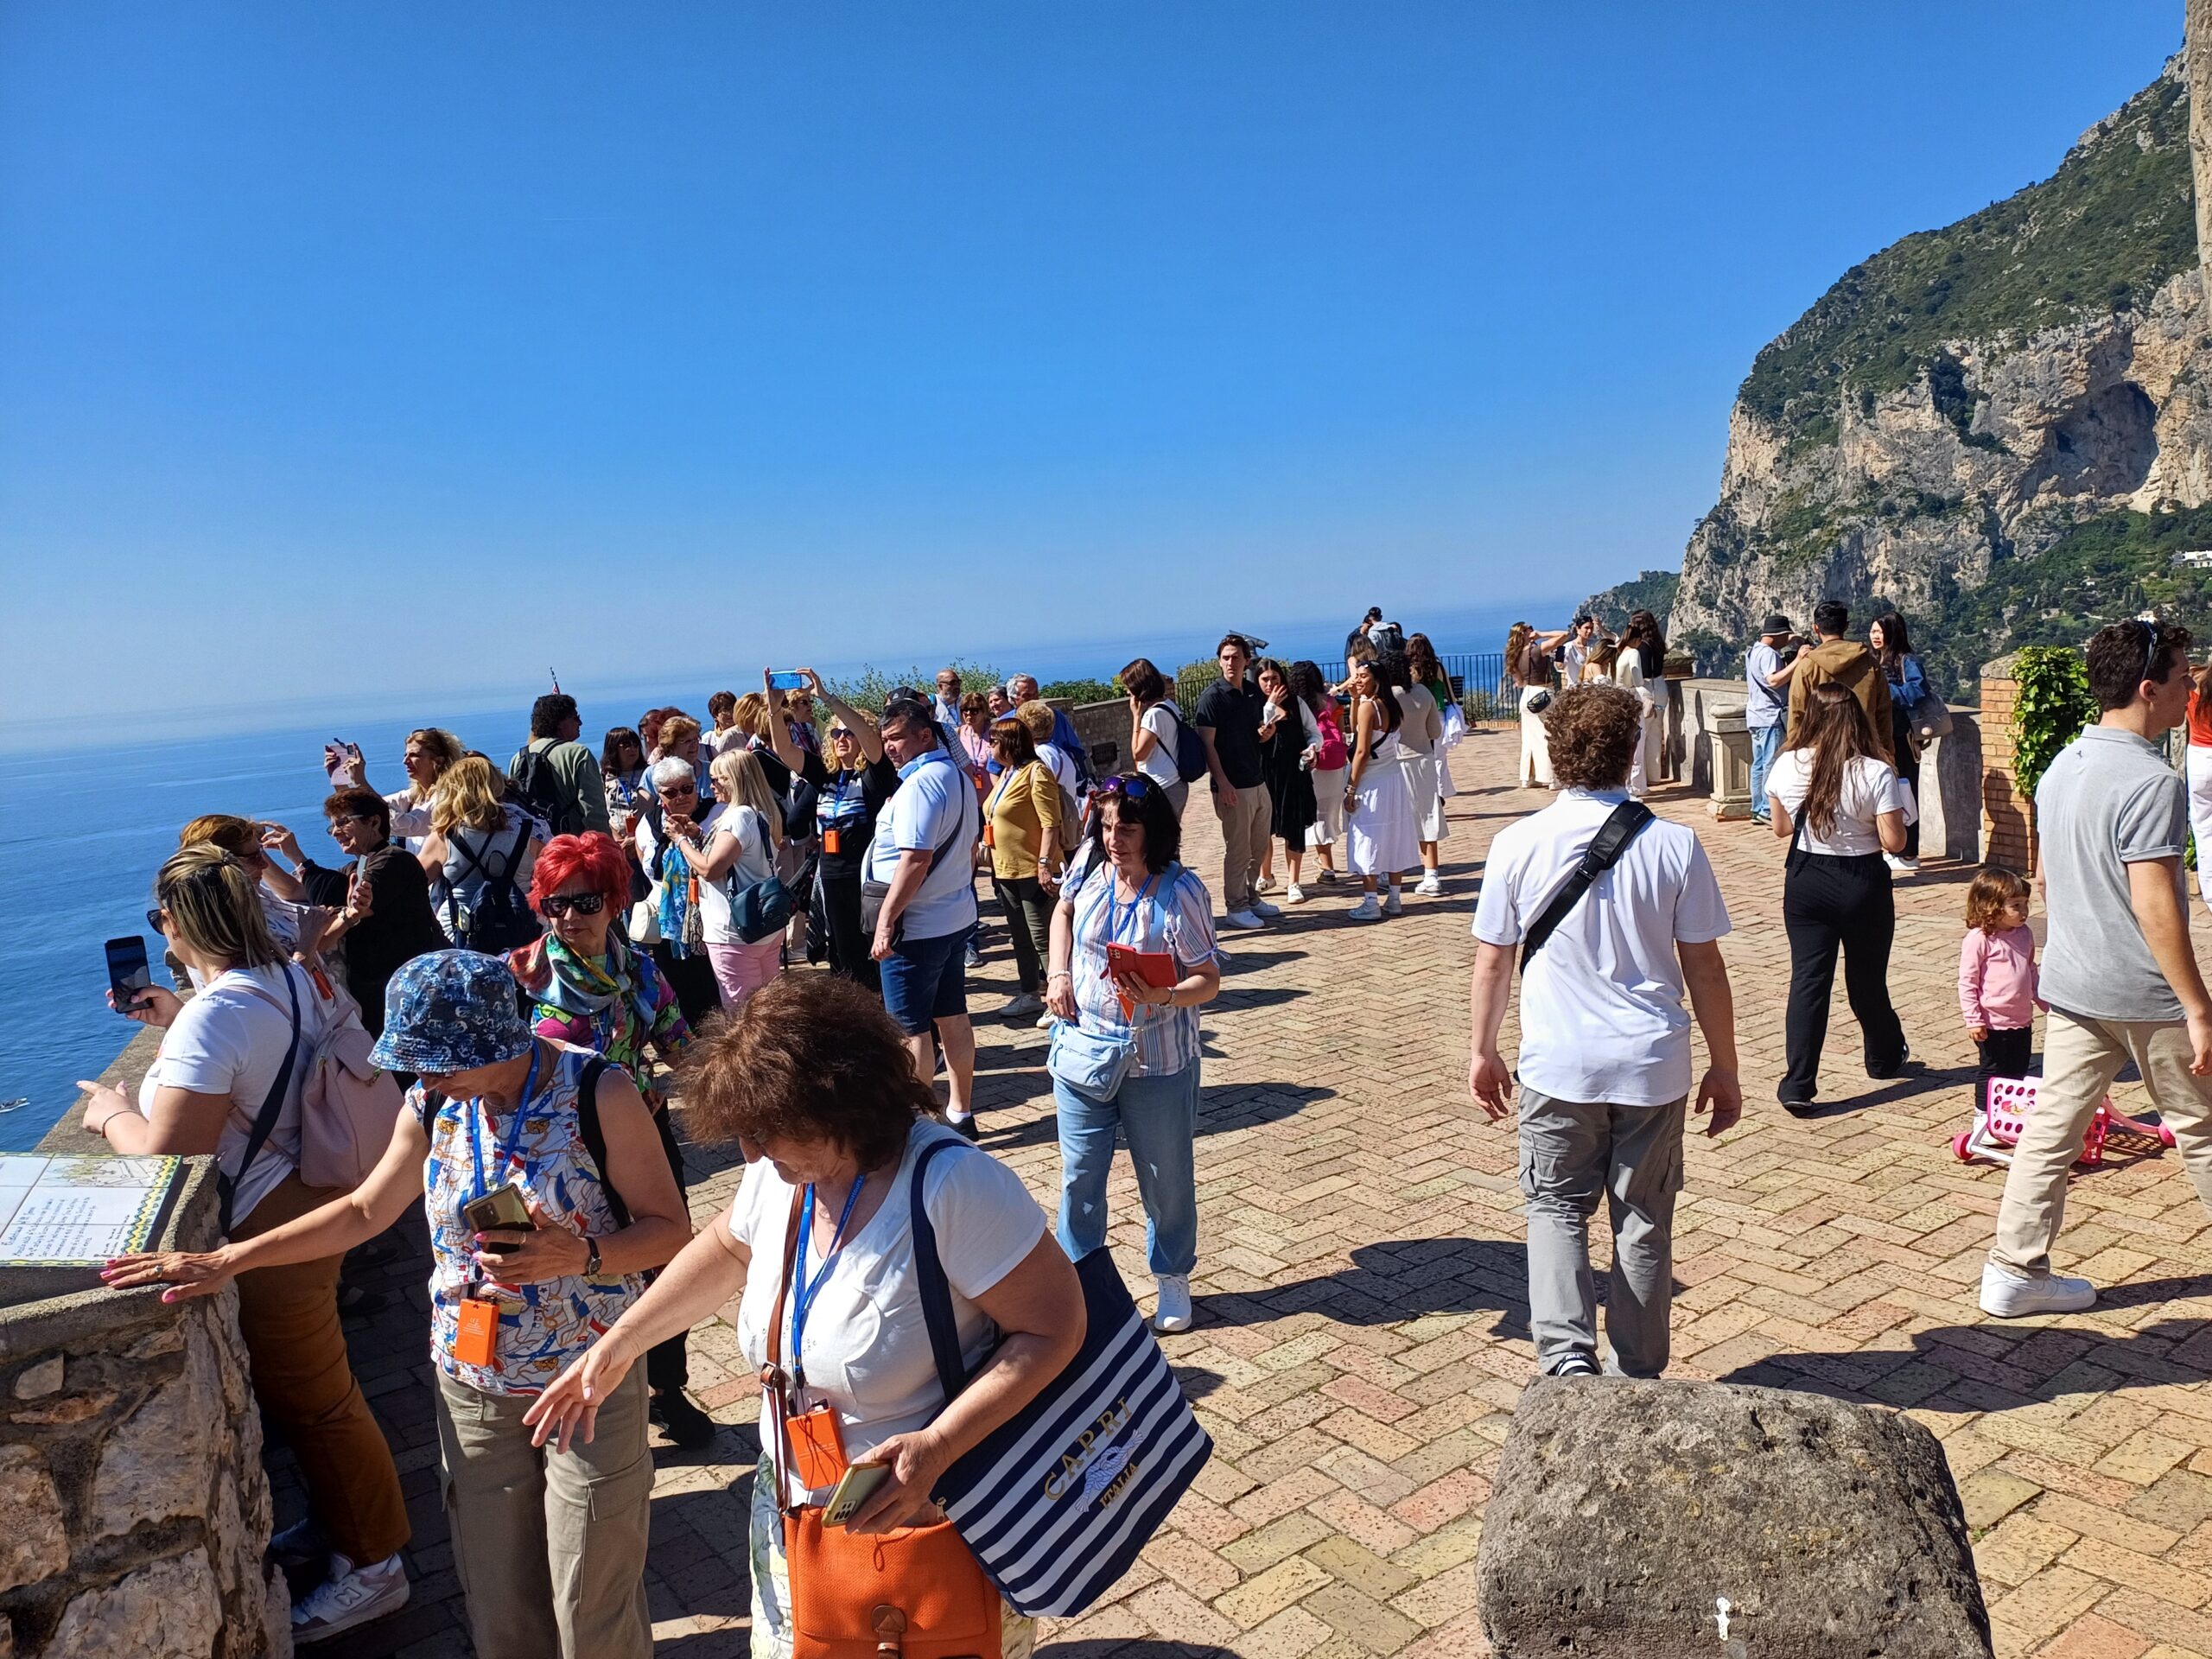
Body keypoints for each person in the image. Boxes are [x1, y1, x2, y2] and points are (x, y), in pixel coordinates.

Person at [105, 950, 691, 1659]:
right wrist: (230, 1259)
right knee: (499, 1597)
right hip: (473, 1378)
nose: (425, 1078)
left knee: (589, 1595)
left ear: (497, 1042)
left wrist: (581, 1254)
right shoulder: (436, 1102)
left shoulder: (599, 1091)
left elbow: (669, 1229)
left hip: (587, 1376)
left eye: (441, 1063)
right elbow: (362, 1210)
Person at [518, 973, 1084, 1659]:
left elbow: (1055, 1326)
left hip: (932, 1508)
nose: (755, 1155)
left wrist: (935, 1448)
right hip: (795, 1507)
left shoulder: (954, 1184)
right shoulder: (783, 1174)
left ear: (846, 1105)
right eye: (749, 1134)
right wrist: (617, 1347)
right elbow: (726, 1248)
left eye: (774, 1133)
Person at [82, 846, 411, 1642]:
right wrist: (173, 1019)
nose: (156, 927)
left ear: (180, 924)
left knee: (319, 1401)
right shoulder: (284, 976)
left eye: (159, 916)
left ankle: (375, 1569)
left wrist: (110, 1114)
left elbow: (167, 1157)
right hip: (307, 1192)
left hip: (266, 1220)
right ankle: (341, 1532)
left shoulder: (218, 1014)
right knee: (312, 1396)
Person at [1467, 683, 1739, 1378]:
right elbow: (1704, 968)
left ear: (1556, 755)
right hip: (1652, 1062)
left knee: (1555, 1207)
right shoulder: (1675, 846)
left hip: (1558, 1062)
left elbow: (1494, 960)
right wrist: (1725, 1065)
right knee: (1644, 1215)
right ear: (1631, 752)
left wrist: (1482, 1049)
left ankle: (1566, 1363)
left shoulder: (1516, 844)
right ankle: (1639, 1367)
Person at [1983, 619, 2212, 1317]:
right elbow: (2156, 904)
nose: (2190, 689)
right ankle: (2014, 1272)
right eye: (2181, 678)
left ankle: (2013, 1270)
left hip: (2076, 984)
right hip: (2144, 992)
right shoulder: (2151, 780)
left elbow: (2048, 878)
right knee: (2203, 1130)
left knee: (2054, 1129)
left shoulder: (2063, 764)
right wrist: (2199, 1007)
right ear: (2148, 689)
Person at [505, 831, 714, 1449]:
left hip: (641, 1141)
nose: (569, 916)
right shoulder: (520, 978)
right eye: (555, 903)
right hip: (555, 1154)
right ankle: (577, 1389)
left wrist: (744, 1103)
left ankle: (664, 1389)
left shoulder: (640, 973)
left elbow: (682, 1048)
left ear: (615, 902)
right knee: (576, 1272)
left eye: (585, 902)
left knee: (663, 1263)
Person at [1045, 773, 1224, 1332]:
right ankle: (1080, 1286)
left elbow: (1209, 979)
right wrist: (1058, 972)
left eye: (1127, 827)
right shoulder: (1090, 869)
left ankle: (1171, 1278)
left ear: (1155, 831)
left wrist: (1167, 994)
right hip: (1083, 1049)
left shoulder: (1181, 891)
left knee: (1164, 1178)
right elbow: (1064, 913)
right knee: (1079, 1178)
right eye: (1105, 825)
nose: (1113, 837)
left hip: (1156, 1060)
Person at [1766, 683, 1914, 1113]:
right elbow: (1894, 842)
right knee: (1867, 978)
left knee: (1809, 981)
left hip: (1808, 878)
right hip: (1862, 878)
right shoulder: (1875, 771)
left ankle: (1798, 1083)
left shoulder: (1785, 765)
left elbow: (1780, 829)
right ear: (1856, 718)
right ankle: (1884, 1056)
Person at [868, 696, 982, 1136]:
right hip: (952, 916)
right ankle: (960, 1111)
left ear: (924, 735)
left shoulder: (920, 786)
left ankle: (915, 1127)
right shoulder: (955, 774)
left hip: (916, 927)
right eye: (885, 740)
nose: (891, 747)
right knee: (952, 1016)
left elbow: (915, 860)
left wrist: (886, 922)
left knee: (910, 1030)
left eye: (897, 737)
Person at [287, 787, 448, 1034]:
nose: (335, 832)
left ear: (373, 821)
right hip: (383, 983)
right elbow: (298, 891)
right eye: (332, 826)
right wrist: (277, 858)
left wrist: (334, 923)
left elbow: (347, 915)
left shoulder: (392, 861)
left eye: (342, 823)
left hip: (402, 982)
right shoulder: (360, 865)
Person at [796, 673, 897, 994]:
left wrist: (827, 698)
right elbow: (785, 751)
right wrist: (773, 707)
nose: (842, 738)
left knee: (876, 954)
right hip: (832, 876)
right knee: (844, 958)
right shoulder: (825, 777)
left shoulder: (875, 775)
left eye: (849, 733)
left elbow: (872, 740)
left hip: (867, 878)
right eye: (836, 732)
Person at [671, 747, 786, 1013]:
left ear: (736, 779)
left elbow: (710, 869)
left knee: (742, 1014)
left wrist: (681, 841)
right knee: (770, 1007)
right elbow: (741, 856)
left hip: (733, 932)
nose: (711, 785)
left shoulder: (737, 817)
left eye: (718, 779)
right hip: (764, 927)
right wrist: (700, 834)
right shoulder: (764, 812)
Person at [631, 759, 725, 1027]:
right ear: (660, 795)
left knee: (713, 993)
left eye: (687, 788)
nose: (681, 796)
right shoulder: (648, 823)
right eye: (671, 792)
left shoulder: (716, 814)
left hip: (708, 920)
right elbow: (647, 868)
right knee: (679, 994)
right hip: (668, 925)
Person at [419, 755, 544, 951]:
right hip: (519, 930)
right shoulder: (529, 831)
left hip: (461, 933)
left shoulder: (445, 836)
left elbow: (413, 884)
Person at [985, 715, 1065, 1021]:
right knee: (1019, 935)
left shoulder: (1036, 772)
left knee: (1042, 935)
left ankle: (1057, 998)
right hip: (1004, 869)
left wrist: (1044, 863)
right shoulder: (1006, 774)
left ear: (1009, 743)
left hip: (1032, 868)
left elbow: (1050, 822)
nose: (989, 745)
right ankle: (1029, 992)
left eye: (994, 741)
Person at [1196, 633, 1275, 930]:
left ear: (1247, 661)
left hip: (1256, 780)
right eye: (1226, 657)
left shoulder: (1253, 693)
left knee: (1259, 847)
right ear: (1220, 661)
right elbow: (1208, 745)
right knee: (1238, 849)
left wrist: (1265, 735)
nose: (1231, 662)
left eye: (1236, 657)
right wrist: (1222, 782)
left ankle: (1252, 897)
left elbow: (1254, 732)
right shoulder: (1212, 698)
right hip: (1233, 786)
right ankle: (1236, 905)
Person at [177, 813, 331, 960]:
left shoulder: (253, 893)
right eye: (254, 857)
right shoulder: (225, 923)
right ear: (223, 861)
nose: (264, 864)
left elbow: (293, 892)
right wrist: (309, 939)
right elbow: (279, 982)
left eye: (261, 853)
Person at [1342, 655, 1421, 920]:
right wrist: (1354, 699)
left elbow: (1361, 750)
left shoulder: (1369, 708)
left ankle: (1370, 901)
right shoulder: (1390, 704)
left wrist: (1351, 788)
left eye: (1364, 676)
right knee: (1395, 835)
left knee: (1368, 837)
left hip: (1373, 782)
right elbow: (1357, 730)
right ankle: (1395, 898)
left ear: (1377, 680)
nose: (1358, 680)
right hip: (1394, 779)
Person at [1959, 868, 2039, 1122]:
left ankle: (2010, 1115)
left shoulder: (2025, 934)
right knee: (1992, 1070)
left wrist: (2045, 1001)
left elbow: (2030, 970)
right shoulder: (1979, 939)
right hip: (1991, 1022)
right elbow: (1968, 982)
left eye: (2026, 904)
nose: (2024, 911)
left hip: (2021, 1020)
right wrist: (1974, 1019)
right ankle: (1983, 1116)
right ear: (1991, 906)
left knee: (2018, 1069)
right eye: (2015, 905)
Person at [1785, 600, 1893, 764]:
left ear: (1816, 629)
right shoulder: (1870, 664)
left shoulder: (1807, 666)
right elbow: (1884, 714)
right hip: (1864, 751)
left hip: (1821, 754)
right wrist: (1887, 755)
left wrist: (1796, 756)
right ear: (1846, 626)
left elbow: (1797, 714)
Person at [324, 727, 464, 852]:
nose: (405, 761)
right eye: (406, 755)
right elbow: (364, 808)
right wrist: (339, 781)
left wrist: (360, 781)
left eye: (415, 755)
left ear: (438, 761)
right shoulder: (413, 797)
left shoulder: (447, 798)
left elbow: (407, 825)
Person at [1252, 657, 1319, 903]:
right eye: (1265, 679)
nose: (1270, 684)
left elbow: (1313, 732)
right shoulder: (1253, 703)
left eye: (1275, 679)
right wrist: (1269, 705)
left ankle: (1294, 882)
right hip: (1264, 773)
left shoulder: (1296, 702)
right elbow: (1262, 727)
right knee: (1263, 829)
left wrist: (1313, 748)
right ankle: (1266, 875)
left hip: (1293, 773)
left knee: (1294, 827)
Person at [1867, 610, 1927, 874]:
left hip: (1901, 737)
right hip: (1881, 737)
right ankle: (1895, 848)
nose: (1875, 636)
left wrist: (1883, 690)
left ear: (1893, 632)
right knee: (1886, 794)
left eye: (1880, 631)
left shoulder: (1906, 661)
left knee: (1905, 792)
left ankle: (1908, 852)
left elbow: (1917, 690)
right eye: (1873, 631)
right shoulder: (1875, 661)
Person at [508, 694, 613, 839]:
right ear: (559, 722)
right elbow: (594, 812)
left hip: (538, 847)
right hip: (572, 846)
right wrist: (604, 846)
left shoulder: (519, 757)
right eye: (575, 717)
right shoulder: (578, 754)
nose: (580, 722)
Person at [1392, 648, 1448, 897]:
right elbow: (1435, 731)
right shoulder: (1423, 692)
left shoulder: (1386, 698)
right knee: (1427, 816)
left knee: (1395, 818)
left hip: (1395, 763)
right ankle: (1431, 875)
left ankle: (1390, 874)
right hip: (1423, 760)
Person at [1294, 659, 1347, 890]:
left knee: (1312, 814)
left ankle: (1326, 868)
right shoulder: (1330, 701)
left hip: (1311, 762)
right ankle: (1327, 864)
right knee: (1328, 814)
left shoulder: (1296, 705)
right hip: (1334, 763)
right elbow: (1343, 733)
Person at [1122, 657, 1192, 821]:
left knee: (1160, 842)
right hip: (1176, 782)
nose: (1127, 692)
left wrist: (1136, 717)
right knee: (1170, 840)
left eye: (1129, 687)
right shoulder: (1169, 705)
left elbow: (1139, 755)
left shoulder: (1153, 715)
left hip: (1163, 786)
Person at [1744, 615, 1797, 826]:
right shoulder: (1769, 654)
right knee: (1770, 763)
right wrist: (1798, 662)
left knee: (1758, 765)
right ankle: (1767, 809)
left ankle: (1757, 808)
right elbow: (1774, 680)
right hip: (1769, 715)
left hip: (1755, 715)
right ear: (1778, 636)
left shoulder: (1753, 651)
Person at [1508, 621, 1565, 789]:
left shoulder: (1514, 655)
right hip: (1543, 694)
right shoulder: (1537, 650)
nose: (1532, 631)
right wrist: (1541, 634)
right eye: (1529, 630)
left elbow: (1519, 681)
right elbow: (1564, 635)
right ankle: (1552, 779)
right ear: (1524, 634)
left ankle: (1528, 777)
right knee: (1549, 736)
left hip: (1527, 695)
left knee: (1529, 739)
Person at [1007, 672, 1090, 783]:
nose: (1033, 699)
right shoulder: (1006, 723)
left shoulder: (1054, 716)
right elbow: (996, 766)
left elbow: (1076, 750)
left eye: (1035, 693)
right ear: (1013, 699)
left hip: (1062, 781)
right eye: (1027, 695)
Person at [1610, 624, 1655, 799]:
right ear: (1637, 640)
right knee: (1637, 741)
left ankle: (1628, 785)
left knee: (1625, 742)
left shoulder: (1621, 654)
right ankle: (1635, 787)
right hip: (1631, 696)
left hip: (1620, 696)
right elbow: (1637, 678)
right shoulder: (1634, 653)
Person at [1626, 607, 1669, 785]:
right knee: (1655, 734)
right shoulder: (1659, 643)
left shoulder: (1639, 648)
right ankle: (1654, 775)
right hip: (1660, 687)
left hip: (1645, 689)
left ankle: (1640, 779)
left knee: (1641, 734)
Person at [600, 727, 651, 826]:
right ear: (613, 748)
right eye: (626, 745)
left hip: (644, 833)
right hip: (614, 836)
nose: (632, 749)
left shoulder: (648, 773)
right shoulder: (603, 776)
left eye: (636, 745)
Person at [704, 690, 746, 758]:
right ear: (715, 715)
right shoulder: (708, 739)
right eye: (725, 710)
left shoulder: (745, 733)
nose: (730, 713)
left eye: (733, 709)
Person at [1560, 614, 1598, 690]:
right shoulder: (1568, 647)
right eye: (1586, 628)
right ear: (1578, 629)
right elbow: (1559, 665)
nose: (1589, 631)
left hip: (1591, 690)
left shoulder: (1593, 646)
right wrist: (1559, 651)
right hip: (1574, 689)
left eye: (1591, 628)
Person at [932, 667, 964, 736]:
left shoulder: (964, 703)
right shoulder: (931, 704)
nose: (957, 686)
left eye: (958, 682)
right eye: (952, 683)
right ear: (940, 686)